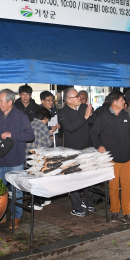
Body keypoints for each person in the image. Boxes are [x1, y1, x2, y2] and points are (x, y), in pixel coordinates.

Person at [0, 89, 35, 230]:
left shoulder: (21, 116)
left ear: (10, 102)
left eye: (2, 101)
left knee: (17, 191)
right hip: (0, 160)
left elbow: (30, 136)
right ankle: (0, 216)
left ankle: (16, 216)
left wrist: (11, 134)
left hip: (15, 161)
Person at [89, 91, 130, 225]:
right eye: (122, 100)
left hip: (128, 157)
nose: (124, 102)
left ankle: (128, 212)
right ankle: (115, 211)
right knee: (114, 187)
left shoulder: (125, 115)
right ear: (114, 102)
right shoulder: (103, 117)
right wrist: (99, 146)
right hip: (112, 159)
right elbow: (93, 134)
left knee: (127, 187)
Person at [58, 88, 94, 217]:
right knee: (74, 178)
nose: (80, 97)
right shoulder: (63, 113)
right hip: (72, 150)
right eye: (77, 96)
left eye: (79, 95)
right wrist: (85, 117)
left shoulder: (84, 106)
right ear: (68, 100)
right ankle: (76, 206)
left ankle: (87, 201)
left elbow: (92, 123)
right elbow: (70, 128)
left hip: (87, 148)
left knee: (89, 176)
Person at [27, 107, 54, 210]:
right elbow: (47, 143)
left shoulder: (30, 124)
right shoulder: (42, 127)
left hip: (28, 156)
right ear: (45, 118)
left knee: (33, 179)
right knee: (39, 180)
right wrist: (51, 139)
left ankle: (40, 200)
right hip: (37, 158)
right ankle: (35, 202)